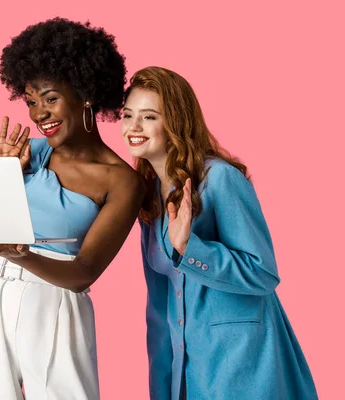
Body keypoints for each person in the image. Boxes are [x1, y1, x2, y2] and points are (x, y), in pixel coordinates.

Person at [0, 18, 143, 400]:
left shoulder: (121, 181)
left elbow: (83, 274)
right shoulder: (27, 155)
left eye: (50, 98)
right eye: (32, 102)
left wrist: (19, 254)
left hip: (54, 305)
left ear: (86, 93)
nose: (39, 115)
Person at [121, 66, 318, 399]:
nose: (134, 127)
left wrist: (189, 248)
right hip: (187, 366)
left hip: (242, 362)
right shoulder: (148, 196)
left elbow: (263, 273)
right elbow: (158, 307)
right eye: (128, 115)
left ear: (175, 123)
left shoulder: (220, 179)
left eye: (149, 117)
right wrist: (161, 385)